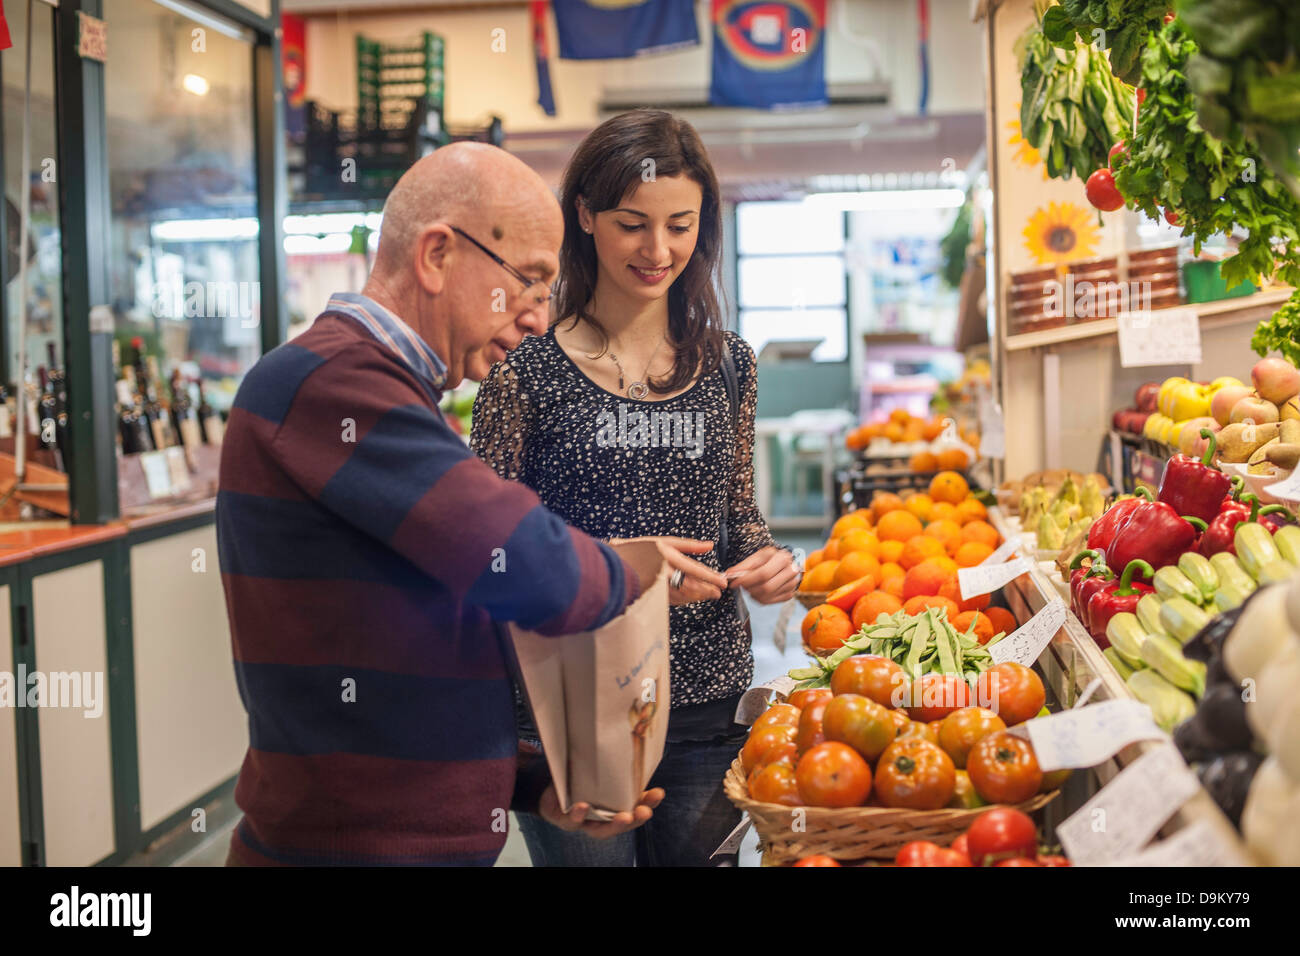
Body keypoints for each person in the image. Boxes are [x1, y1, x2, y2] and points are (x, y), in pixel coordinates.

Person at [216, 142, 666, 866]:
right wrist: (634, 575)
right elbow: (534, 570)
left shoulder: (394, 394)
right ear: (436, 256)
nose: (538, 319)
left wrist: (529, 781)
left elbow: (420, 636)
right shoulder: (333, 385)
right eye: (529, 280)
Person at [471, 110, 799, 867]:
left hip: (710, 695)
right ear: (583, 216)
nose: (659, 251)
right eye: (632, 225)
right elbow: (487, 552)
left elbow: (735, 512)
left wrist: (770, 561)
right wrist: (621, 571)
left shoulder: (729, 364)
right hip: (576, 703)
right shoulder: (524, 374)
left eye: (680, 226)